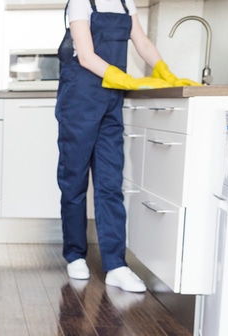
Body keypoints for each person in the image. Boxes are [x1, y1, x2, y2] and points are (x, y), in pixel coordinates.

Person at [55, 0, 198, 292]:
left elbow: (142, 41)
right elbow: (85, 55)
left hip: (111, 102)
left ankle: (115, 264)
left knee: (110, 183)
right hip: (79, 100)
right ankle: (74, 254)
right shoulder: (81, 2)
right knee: (75, 181)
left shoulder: (124, 2)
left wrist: (163, 70)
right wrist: (125, 78)